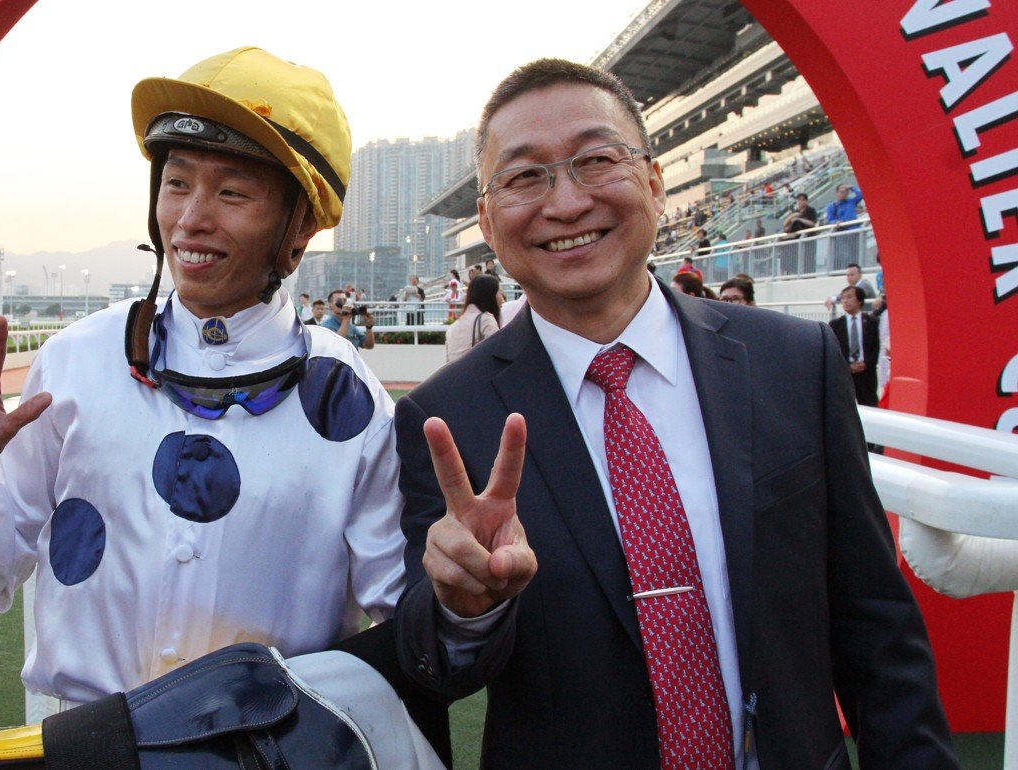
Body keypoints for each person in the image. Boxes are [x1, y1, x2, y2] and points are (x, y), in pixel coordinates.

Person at [393, 57, 955, 768]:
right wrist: (463, 609)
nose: (566, 204)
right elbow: (433, 666)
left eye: (596, 160)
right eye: (525, 176)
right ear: (486, 219)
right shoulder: (446, 419)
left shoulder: (792, 364)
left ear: (655, 182)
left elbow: (875, 622)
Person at [0, 47, 412, 722]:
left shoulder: (350, 400)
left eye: (232, 193)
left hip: (268, 752)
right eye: (177, 183)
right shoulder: (74, 360)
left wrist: (465, 589)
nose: (190, 219)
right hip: (86, 743)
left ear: (300, 225)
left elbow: (404, 613)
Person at [830, 285, 880, 407]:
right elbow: (834, 351)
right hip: (845, 373)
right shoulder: (835, 325)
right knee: (844, 407)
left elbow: (875, 347)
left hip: (866, 373)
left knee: (869, 405)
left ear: (859, 300)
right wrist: (848, 366)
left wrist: (866, 364)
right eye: (843, 298)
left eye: (849, 297)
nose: (845, 301)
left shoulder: (872, 322)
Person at [445, 274, 502, 364]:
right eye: (499, 292)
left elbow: (448, 363)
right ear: (490, 295)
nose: (502, 298)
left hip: (457, 372)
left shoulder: (453, 327)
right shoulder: (486, 320)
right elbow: (497, 355)